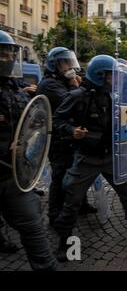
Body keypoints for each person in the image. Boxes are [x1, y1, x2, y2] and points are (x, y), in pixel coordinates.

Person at [53, 55, 127, 262]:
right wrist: (72, 130)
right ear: (100, 76)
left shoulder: (114, 96)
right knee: (72, 200)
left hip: (112, 157)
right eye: (111, 76)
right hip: (87, 158)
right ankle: (65, 240)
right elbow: (57, 119)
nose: (115, 80)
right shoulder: (77, 96)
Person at [0, 30, 56, 270]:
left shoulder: (16, 89)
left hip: (12, 175)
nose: (6, 58)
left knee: (33, 227)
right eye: (1, 54)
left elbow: (32, 124)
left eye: (9, 53)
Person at [36, 46, 96, 226]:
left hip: (69, 137)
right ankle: (54, 214)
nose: (70, 66)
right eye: (66, 63)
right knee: (60, 176)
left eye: (71, 62)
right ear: (55, 65)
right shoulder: (50, 84)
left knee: (77, 173)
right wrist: (75, 86)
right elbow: (72, 102)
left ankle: (80, 204)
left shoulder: (61, 81)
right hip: (58, 138)